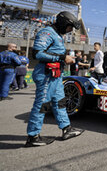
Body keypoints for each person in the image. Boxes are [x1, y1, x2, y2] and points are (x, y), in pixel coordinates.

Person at [26, 11, 84, 147]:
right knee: (43, 105)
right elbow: (37, 53)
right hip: (46, 75)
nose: (70, 31)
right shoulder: (47, 32)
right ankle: (33, 136)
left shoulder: (58, 35)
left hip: (56, 75)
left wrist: (64, 59)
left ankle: (66, 129)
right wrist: (63, 57)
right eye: (70, 27)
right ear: (64, 23)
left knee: (60, 102)